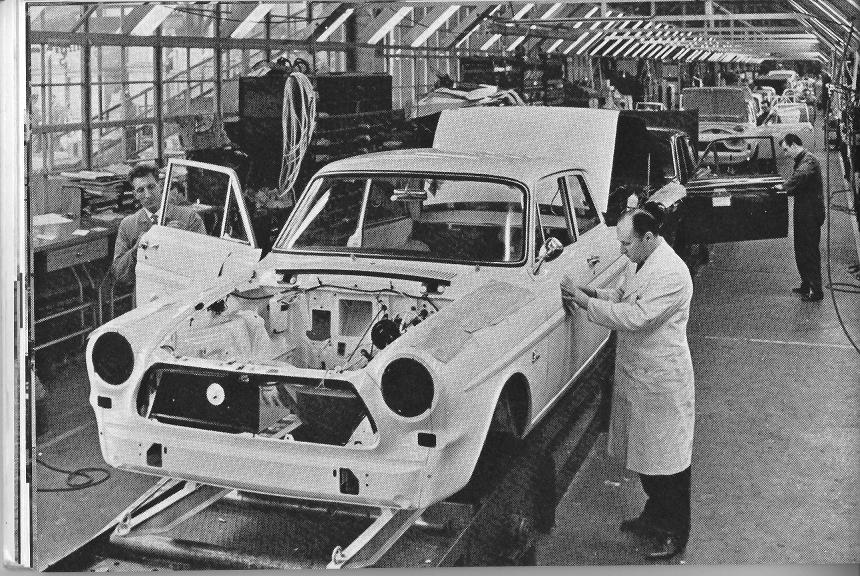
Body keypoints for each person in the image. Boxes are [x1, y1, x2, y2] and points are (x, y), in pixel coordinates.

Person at [561, 206, 695, 561]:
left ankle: (675, 532)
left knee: (668, 465)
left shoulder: (671, 273)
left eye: (626, 243)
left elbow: (636, 317)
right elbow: (622, 296)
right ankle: (654, 517)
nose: (622, 250)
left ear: (648, 238)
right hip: (640, 376)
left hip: (662, 381)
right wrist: (592, 291)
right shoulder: (640, 261)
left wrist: (585, 302)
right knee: (648, 460)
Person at [112, 164, 205, 286]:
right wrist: (136, 249)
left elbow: (205, 264)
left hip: (183, 288)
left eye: (151, 187)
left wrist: (182, 241)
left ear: (160, 186)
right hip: (146, 289)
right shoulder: (128, 225)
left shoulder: (189, 217)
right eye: (140, 190)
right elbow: (118, 274)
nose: (148, 195)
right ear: (135, 195)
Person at [780, 133, 825, 302]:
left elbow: (799, 177)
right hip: (803, 212)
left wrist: (781, 188)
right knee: (800, 249)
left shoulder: (809, 161)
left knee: (810, 251)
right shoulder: (801, 160)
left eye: (786, 149)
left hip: (811, 214)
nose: (785, 154)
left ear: (793, 145)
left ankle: (816, 291)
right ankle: (806, 283)